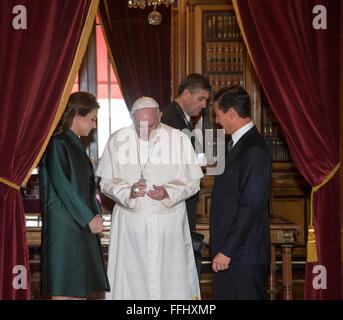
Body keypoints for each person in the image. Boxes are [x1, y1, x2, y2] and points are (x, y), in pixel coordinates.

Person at [97, 96, 203, 300]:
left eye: (151, 125)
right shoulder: (117, 140)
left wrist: (168, 191)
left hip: (168, 224)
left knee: (170, 284)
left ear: (160, 116)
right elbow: (106, 183)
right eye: (138, 125)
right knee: (131, 284)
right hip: (130, 226)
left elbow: (193, 182)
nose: (144, 130)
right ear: (132, 119)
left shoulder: (178, 139)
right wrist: (127, 191)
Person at [39, 92, 110, 300]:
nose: (94, 125)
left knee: (79, 291)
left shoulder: (74, 145)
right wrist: (89, 218)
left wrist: (94, 216)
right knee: (64, 292)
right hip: (64, 230)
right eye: (92, 119)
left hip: (79, 227)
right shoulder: (57, 144)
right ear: (77, 116)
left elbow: (87, 190)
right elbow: (63, 186)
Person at [210, 86, 272, 300]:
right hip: (233, 252)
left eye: (218, 114)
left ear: (232, 113)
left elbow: (250, 206)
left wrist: (227, 250)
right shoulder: (236, 144)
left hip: (243, 254)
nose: (217, 121)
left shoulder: (253, 150)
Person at [161, 73, 211, 232]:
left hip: (183, 195)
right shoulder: (170, 118)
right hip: (176, 198)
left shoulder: (182, 117)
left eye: (206, 101)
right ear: (187, 94)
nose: (204, 105)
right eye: (201, 99)